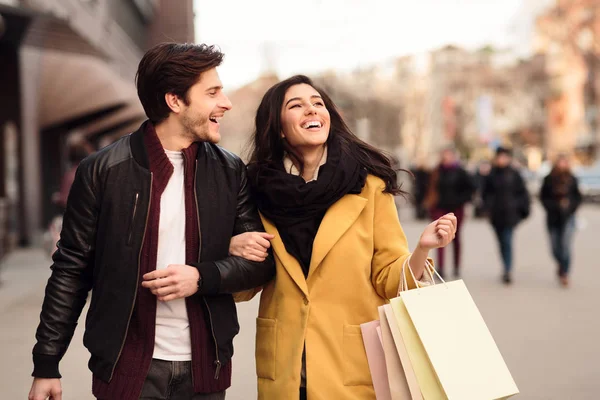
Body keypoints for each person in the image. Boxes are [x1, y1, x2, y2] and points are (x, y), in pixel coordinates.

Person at [28, 43, 275, 400]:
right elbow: (71, 268)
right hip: (127, 368)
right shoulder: (103, 170)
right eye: (212, 92)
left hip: (207, 367)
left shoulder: (229, 169)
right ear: (175, 101)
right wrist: (47, 363)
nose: (226, 102)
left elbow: (260, 265)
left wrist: (201, 276)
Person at [232, 75, 457, 400]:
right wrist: (234, 249)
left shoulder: (369, 186)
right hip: (285, 368)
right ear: (279, 127)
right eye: (296, 105)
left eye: (317, 103)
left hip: (350, 365)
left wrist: (422, 248)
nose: (311, 110)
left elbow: (388, 279)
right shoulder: (255, 190)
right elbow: (244, 287)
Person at [422, 147, 475, 278]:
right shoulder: (436, 171)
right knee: (440, 236)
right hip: (439, 208)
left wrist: (460, 200)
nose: (446, 158)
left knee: (455, 237)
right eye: (444, 155)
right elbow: (429, 188)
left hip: (456, 209)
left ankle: (456, 266)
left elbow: (470, 190)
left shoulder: (461, 172)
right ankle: (440, 267)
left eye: (449, 155)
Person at [482, 147, 530, 285]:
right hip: (496, 215)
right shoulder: (491, 174)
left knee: (507, 240)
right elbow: (485, 193)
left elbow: (523, 193)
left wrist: (521, 209)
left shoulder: (515, 174)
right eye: (500, 157)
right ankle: (505, 264)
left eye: (504, 157)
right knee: (501, 242)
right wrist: (487, 208)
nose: (502, 160)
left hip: (510, 214)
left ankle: (508, 270)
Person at [539, 154, 582, 287]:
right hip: (553, 217)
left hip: (568, 217)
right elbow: (543, 197)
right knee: (554, 248)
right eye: (560, 162)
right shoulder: (548, 179)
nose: (562, 165)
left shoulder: (572, 179)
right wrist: (554, 206)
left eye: (565, 162)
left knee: (566, 246)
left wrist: (569, 207)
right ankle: (561, 263)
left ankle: (564, 272)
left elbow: (578, 197)